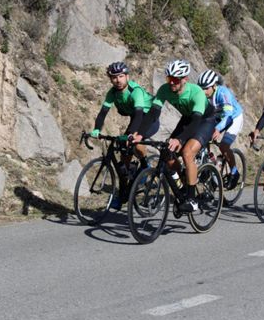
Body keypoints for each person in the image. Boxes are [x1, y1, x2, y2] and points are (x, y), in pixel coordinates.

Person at [133, 59, 216, 212]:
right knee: (167, 152)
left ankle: (192, 200)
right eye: (169, 78)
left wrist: (180, 139)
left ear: (185, 79)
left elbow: (196, 121)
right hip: (188, 118)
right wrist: (140, 134)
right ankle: (184, 179)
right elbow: (153, 114)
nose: (171, 82)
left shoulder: (196, 92)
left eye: (176, 79)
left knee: (187, 153)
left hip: (204, 120)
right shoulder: (164, 89)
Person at [90, 61, 158, 209]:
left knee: (135, 142)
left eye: (121, 76)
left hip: (149, 119)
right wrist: (96, 130)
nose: (118, 80)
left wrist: (132, 134)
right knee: (124, 157)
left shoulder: (135, 91)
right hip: (136, 119)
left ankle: (145, 166)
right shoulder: (112, 93)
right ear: (110, 79)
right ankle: (122, 196)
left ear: (127, 76)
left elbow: (139, 114)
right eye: (114, 77)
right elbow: (103, 112)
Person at [197, 69, 243, 190]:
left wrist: (217, 129)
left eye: (206, 88)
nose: (203, 91)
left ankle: (234, 172)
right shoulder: (203, 95)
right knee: (202, 137)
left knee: (224, 145)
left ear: (214, 86)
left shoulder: (223, 93)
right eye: (201, 88)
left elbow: (228, 116)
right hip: (219, 116)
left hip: (233, 117)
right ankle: (208, 165)